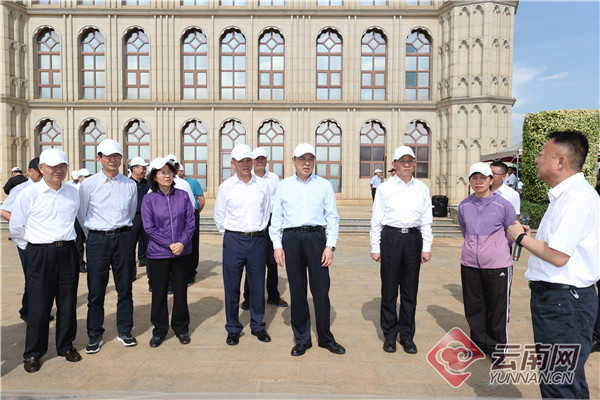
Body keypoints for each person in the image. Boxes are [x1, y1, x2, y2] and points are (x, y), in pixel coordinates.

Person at [507, 130, 599, 399]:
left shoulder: (576, 198)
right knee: (569, 379)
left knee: (558, 382)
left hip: (564, 304)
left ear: (561, 162)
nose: (536, 160)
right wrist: (532, 238)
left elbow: (558, 256)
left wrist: (521, 237)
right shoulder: (568, 196)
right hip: (564, 302)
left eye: (541, 155)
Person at [9, 148, 81, 373]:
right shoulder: (28, 194)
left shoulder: (72, 192)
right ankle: (33, 352)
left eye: (62, 167)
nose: (59, 171)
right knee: (39, 305)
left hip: (68, 251)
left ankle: (65, 345)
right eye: (53, 167)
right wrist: (32, 249)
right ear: (41, 168)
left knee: (67, 302)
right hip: (39, 252)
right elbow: (17, 227)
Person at [270, 143, 345, 357]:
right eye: (302, 159)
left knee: (321, 291)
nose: (306, 163)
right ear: (293, 161)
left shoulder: (323, 185)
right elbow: (277, 218)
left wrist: (330, 246)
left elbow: (332, 217)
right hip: (292, 238)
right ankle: (302, 338)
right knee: (298, 290)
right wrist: (277, 245)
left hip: (316, 238)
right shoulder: (284, 185)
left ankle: (325, 337)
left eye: (310, 159)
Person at [370, 146, 432, 354]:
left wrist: (426, 246)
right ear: (394, 164)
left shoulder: (422, 188)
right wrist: (375, 247)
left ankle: (406, 336)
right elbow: (376, 220)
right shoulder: (385, 188)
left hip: (413, 239)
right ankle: (389, 335)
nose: (407, 164)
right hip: (391, 238)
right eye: (402, 161)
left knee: (409, 291)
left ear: (414, 163)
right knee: (388, 291)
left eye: (410, 160)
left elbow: (426, 220)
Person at [78, 139, 138, 354]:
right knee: (96, 290)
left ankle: (125, 330)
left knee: (125, 287)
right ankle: (94, 333)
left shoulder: (129, 185)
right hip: (97, 240)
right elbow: (82, 214)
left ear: (122, 159)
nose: (113, 160)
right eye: (108, 156)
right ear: (99, 158)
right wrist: (94, 236)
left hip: (123, 238)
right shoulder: (88, 184)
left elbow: (131, 213)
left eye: (117, 156)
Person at [214, 144, 272, 346]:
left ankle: (258, 325)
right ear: (233, 163)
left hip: (257, 239)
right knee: (231, 287)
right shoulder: (226, 187)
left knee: (257, 286)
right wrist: (232, 234)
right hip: (234, 240)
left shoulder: (262, 186)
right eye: (241, 161)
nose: (246, 165)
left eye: (249, 160)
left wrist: (257, 230)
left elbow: (266, 212)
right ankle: (233, 328)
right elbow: (219, 217)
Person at [458, 162, 516, 357]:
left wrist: (495, 249)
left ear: (491, 180)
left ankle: (497, 350)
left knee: (497, 310)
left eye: (483, 178)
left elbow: (511, 232)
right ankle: (477, 346)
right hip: (470, 265)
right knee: (474, 308)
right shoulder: (464, 205)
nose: (478, 182)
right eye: (474, 178)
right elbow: (465, 231)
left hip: (497, 265)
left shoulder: (503, 205)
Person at [142, 157, 195, 347]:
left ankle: (181, 328)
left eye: (169, 171)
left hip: (182, 252)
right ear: (154, 177)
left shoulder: (181, 195)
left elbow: (191, 222)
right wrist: (170, 243)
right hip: (158, 254)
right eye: (162, 172)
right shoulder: (149, 199)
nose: (167, 175)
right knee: (159, 292)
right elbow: (149, 228)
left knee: (181, 291)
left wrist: (181, 243)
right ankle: (159, 330)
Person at [1, 157, 49, 323]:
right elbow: (4, 210)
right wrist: (20, 223)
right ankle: (30, 312)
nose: (42, 175)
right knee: (33, 277)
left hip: (45, 240)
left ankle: (31, 309)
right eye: (39, 172)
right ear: (30, 171)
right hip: (27, 241)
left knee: (42, 277)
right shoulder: (21, 189)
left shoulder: (49, 188)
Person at [241, 147, 288, 310]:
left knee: (273, 261)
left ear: (266, 160)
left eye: (262, 158)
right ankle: (249, 297)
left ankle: (273, 295)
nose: (259, 161)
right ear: (252, 161)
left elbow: (280, 200)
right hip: (254, 223)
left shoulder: (274, 178)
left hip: (271, 223)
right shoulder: (249, 178)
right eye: (256, 159)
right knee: (252, 261)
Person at [177, 164, 206, 284]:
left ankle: (192, 272)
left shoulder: (193, 183)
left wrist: (196, 212)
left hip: (192, 214)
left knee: (193, 243)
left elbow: (201, 199)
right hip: (180, 217)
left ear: (182, 171)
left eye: (177, 170)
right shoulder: (173, 182)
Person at [129, 157, 150, 281]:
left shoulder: (148, 184)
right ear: (134, 168)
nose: (144, 170)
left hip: (147, 218)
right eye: (142, 168)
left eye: (145, 168)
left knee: (150, 247)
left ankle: (152, 275)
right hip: (133, 218)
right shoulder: (126, 183)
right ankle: (131, 274)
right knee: (130, 247)